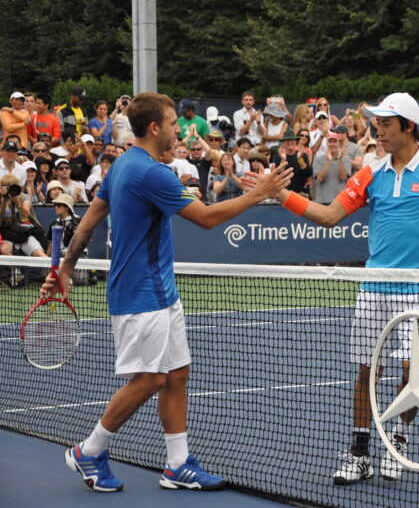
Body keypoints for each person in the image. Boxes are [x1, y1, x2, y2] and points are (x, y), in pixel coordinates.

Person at [40, 92, 292, 493]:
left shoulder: (122, 165)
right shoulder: (150, 173)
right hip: (142, 295)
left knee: (176, 374)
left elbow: (88, 222)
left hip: (160, 292)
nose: (179, 130)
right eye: (174, 124)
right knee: (149, 379)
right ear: (155, 127)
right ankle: (90, 449)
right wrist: (260, 193)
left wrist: (67, 268)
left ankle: (177, 464)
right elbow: (206, 218)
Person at [273, 92, 419, 486]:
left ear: (408, 127)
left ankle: (397, 440)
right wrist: (281, 194)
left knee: (412, 373)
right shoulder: (371, 173)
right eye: (377, 124)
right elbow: (329, 215)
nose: (378, 131)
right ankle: (359, 451)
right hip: (374, 289)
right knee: (367, 372)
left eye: (386, 124)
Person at [1, 174, 47, 257]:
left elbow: (25, 214)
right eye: (4, 186)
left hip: (25, 231)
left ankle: (53, 266)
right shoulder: (2, 198)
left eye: (10, 187)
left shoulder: (23, 197)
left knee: (39, 253)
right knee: (3, 250)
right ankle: (15, 266)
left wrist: (17, 202)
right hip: (9, 233)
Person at [312, 131, 350, 204]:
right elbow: (320, 178)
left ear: (339, 143)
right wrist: (329, 160)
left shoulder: (346, 159)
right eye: (330, 141)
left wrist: (340, 159)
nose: (332, 144)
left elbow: (343, 177)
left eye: (335, 141)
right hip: (322, 201)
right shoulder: (319, 159)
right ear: (327, 143)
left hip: (340, 201)